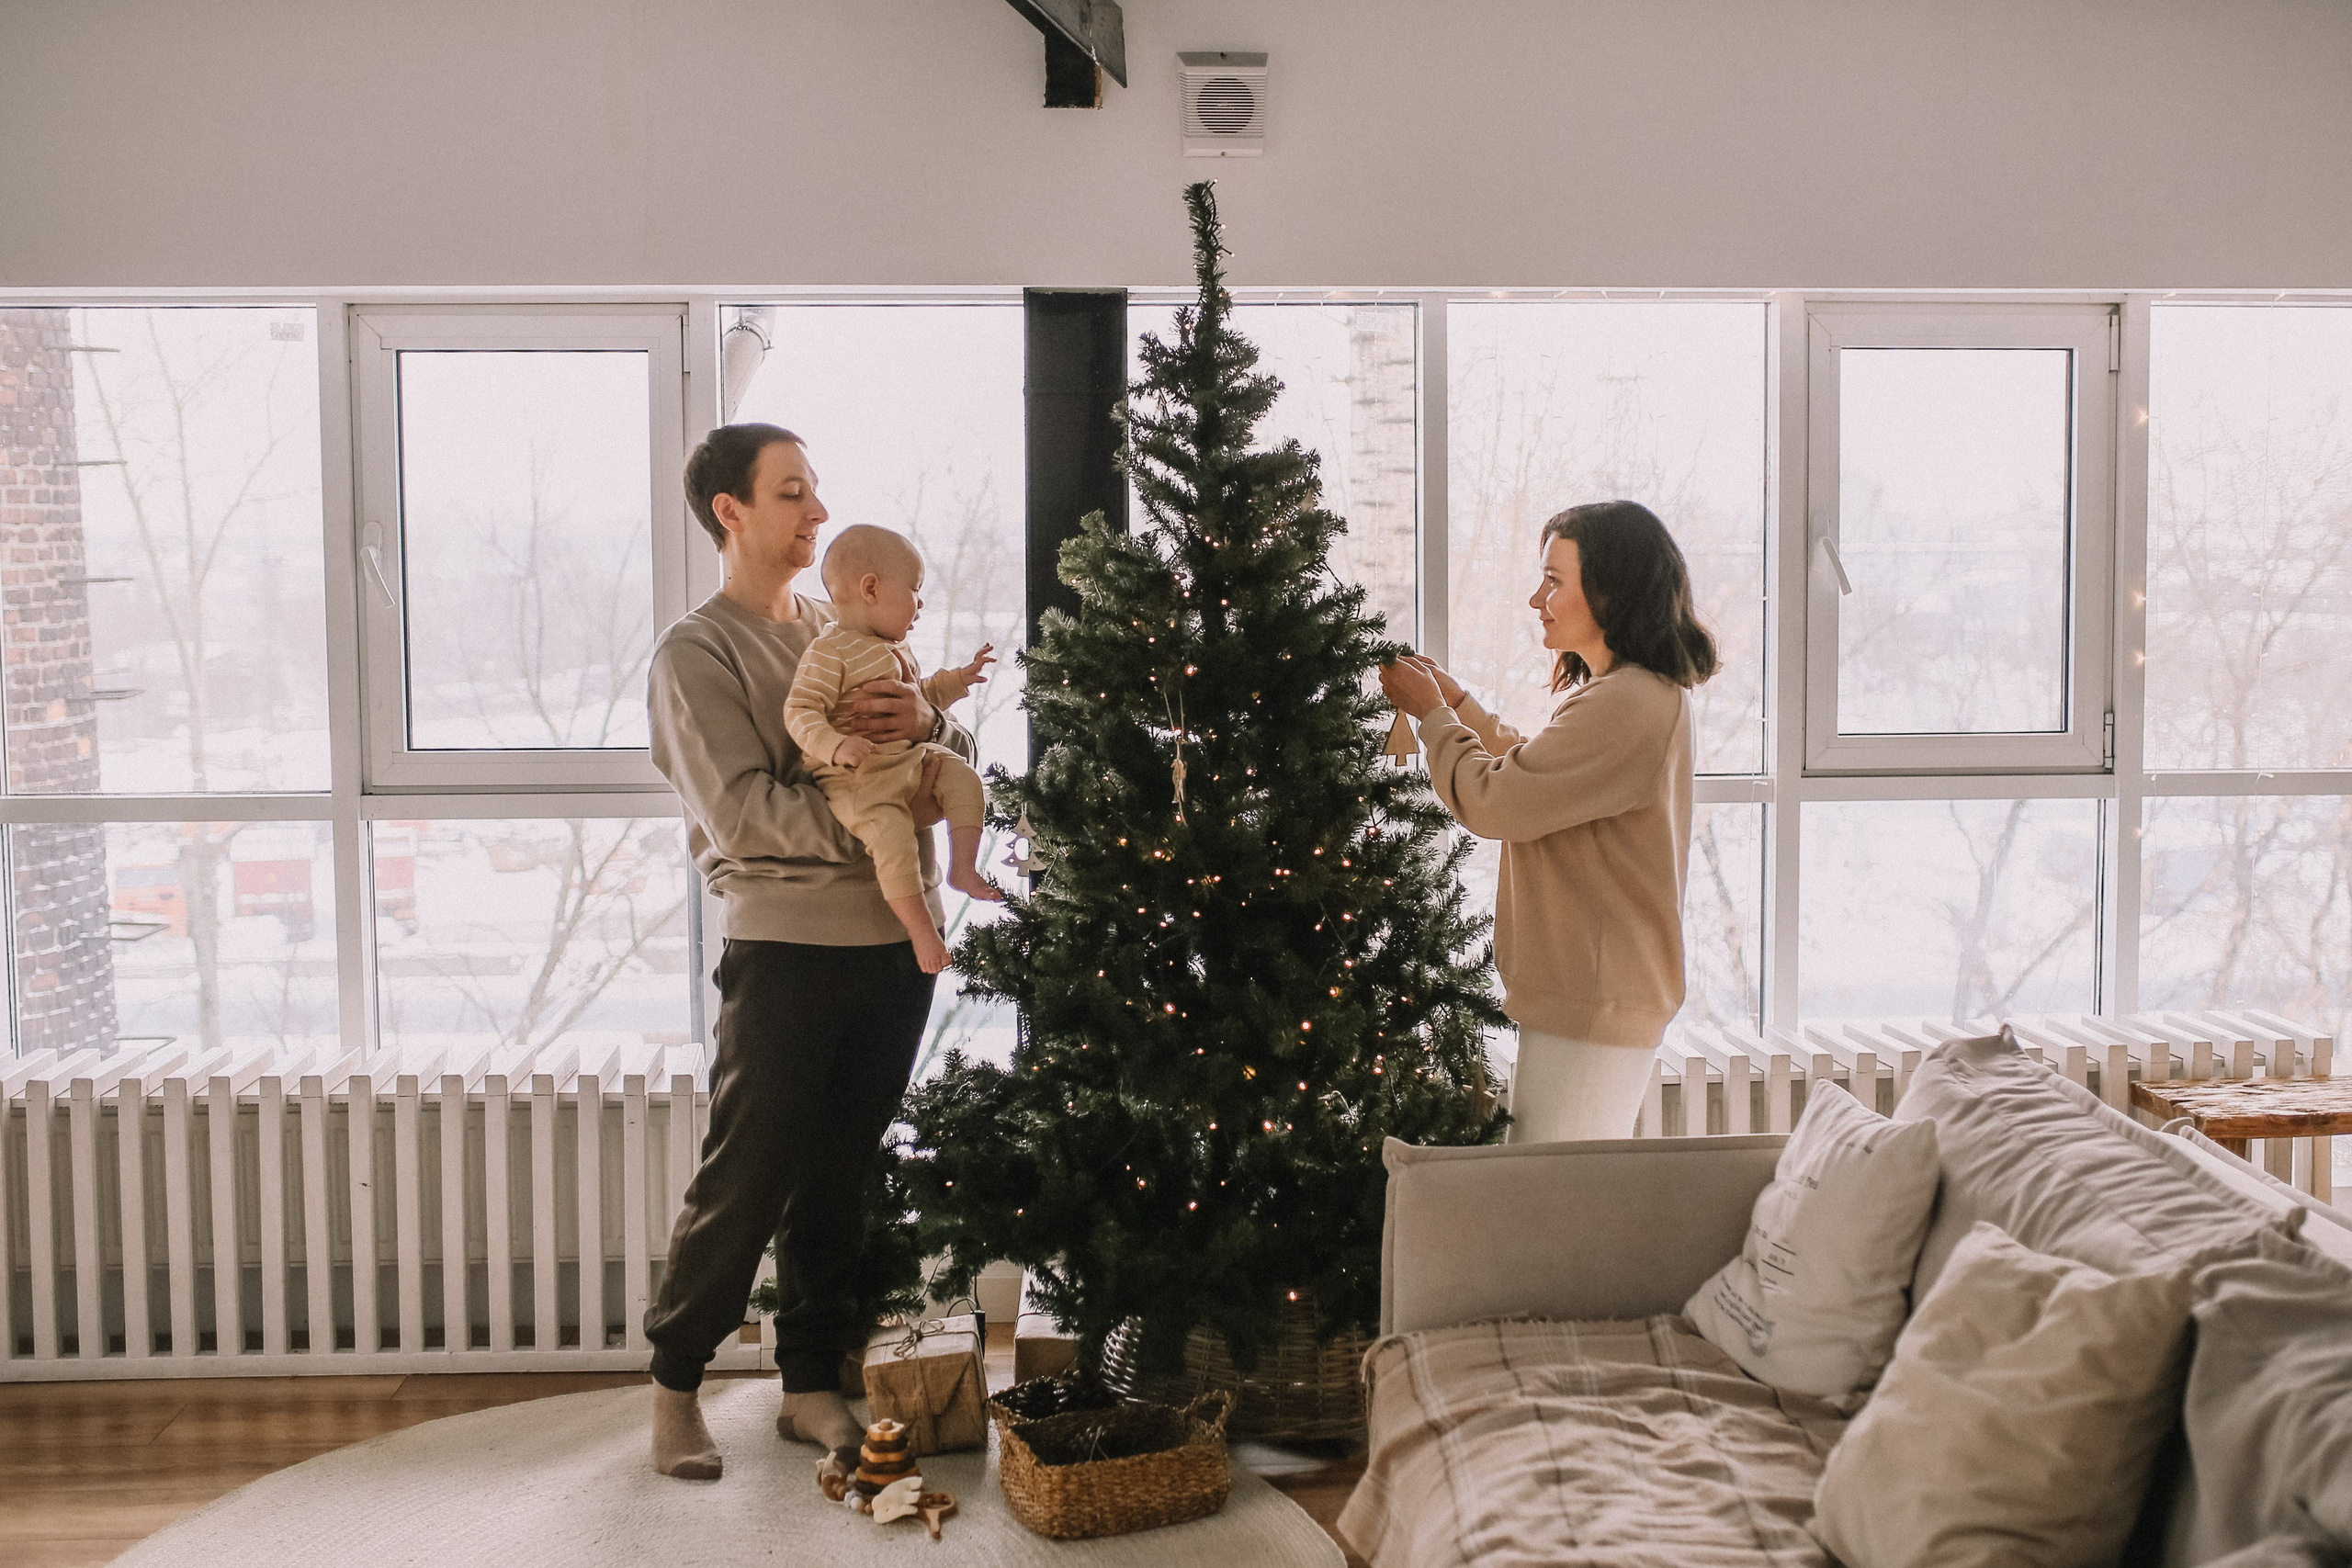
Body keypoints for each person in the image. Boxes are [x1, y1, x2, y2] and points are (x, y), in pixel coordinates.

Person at [640, 423, 976, 1480]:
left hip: (893, 945)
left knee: (842, 1173)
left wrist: (928, 723)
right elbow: (742, 813)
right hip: (786, 950)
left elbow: (943, 749)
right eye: (792, 493)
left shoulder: (851, 627)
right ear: (729, 512)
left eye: (816, 490)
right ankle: (674, 1389)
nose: (817, 513)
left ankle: (807, 1387)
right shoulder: (699, 653)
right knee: (748, 1174)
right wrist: (889, 810)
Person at [1380, 500, 1717, 1144]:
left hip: (1594, 1006)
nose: (1538, 598)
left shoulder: (1628, 702)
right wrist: (1456, 706)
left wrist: (1432, 717)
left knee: (1551, 1208)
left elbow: (1496, 800)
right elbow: (1535, 773)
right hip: (1590, 1001)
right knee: (1552, 1199)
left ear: (1610, 591)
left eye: (1555, 580)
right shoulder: (1621, 695)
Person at [784, 524, 1002, 973]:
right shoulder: (830, 651)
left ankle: (963, 867)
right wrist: (835, 744)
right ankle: (921, 931)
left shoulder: (893, 648)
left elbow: (917, 697)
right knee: (892, 836)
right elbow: (801, 710)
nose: (920, 604)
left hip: (907, 757)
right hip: (857, 775)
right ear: (870, 589)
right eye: (915, 591)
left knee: (963, 776)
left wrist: (956, 681)